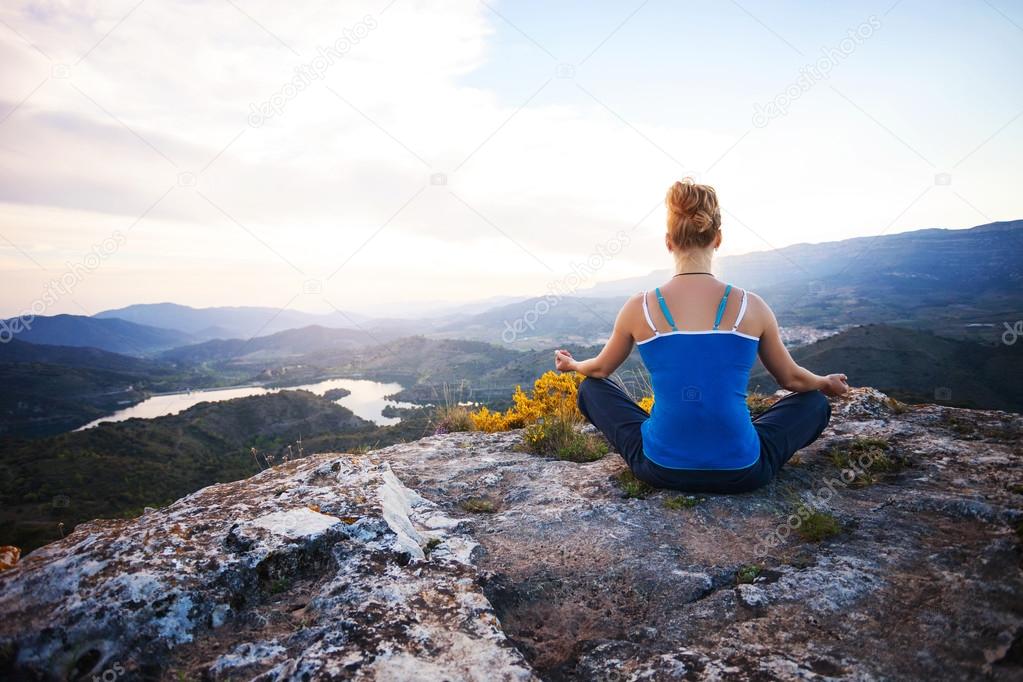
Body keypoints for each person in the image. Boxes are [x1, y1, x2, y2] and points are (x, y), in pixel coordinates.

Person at [554, 179, 849, 493]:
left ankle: (672, 442)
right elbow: (792, 380)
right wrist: (825, 382)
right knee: (814, 403)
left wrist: (572, 365)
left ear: (668, 242)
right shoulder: (752, 306)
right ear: (718, 239)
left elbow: (599, 370)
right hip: (743, 472)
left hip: (660, 469)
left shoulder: (638, 307)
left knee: (591, 390)